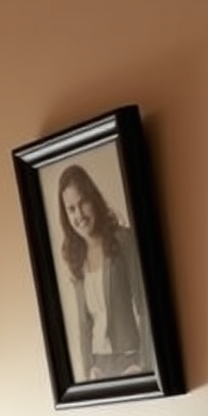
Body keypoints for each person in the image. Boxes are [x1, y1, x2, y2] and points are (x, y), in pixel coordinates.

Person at [57, 163, 152, 380]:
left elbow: (145, 305)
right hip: (99, 367)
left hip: (130, 360)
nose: (79, 215)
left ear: (94, 199)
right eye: (71, 209)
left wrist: (144, 363)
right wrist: (88, 371)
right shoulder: (75, 257)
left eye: (83, 203)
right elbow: (84, 325)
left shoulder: (124, 240)